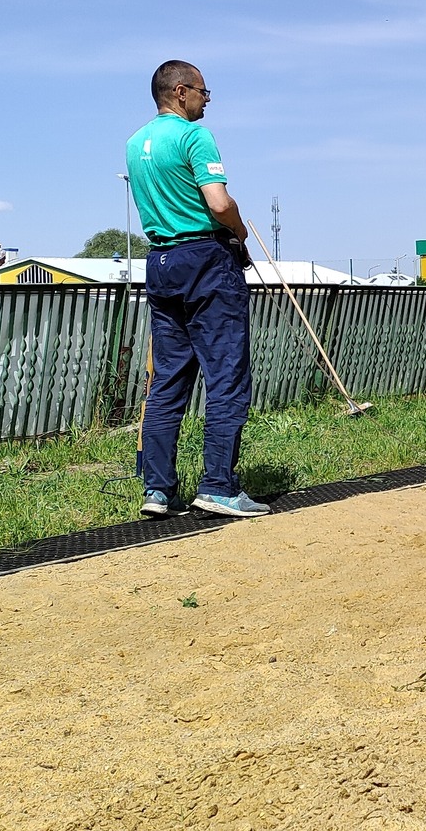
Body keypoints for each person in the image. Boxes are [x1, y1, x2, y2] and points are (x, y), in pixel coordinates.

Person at [127, 59, 269, 519]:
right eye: (205, 92)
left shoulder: (135, 143)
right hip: (205, 258)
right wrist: (239, 229)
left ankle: (157, 489)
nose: (208, 100)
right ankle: (218, 486)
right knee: (226, 376)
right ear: (182, 92)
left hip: (160, 259)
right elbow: (218, 201)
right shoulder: (193, 136)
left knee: (168, 379)